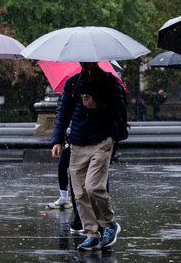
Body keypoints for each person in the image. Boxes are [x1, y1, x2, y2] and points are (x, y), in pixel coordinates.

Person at [50, 61, 125, 251]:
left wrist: (96, 106)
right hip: (77, 142)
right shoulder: (73, 83)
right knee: (80, 193)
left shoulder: (110, 82)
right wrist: (57, 140)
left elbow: (119, 113)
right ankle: (91, 233)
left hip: (102, 139)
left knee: (93, 187)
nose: (84, 62)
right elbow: (63, 112)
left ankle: (109, 224)